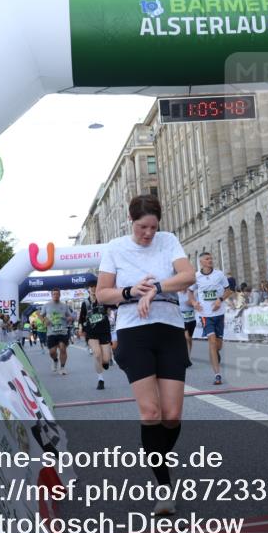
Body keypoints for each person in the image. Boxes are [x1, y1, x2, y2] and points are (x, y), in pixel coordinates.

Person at [97, 194, 196, 516]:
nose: (148, 234)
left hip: (168, 329)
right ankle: (164, 487)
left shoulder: (168, 241)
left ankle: (161, 461)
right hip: (133, 331)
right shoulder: (114, 248)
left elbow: (188, 276)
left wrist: (156, 288)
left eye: (153, 227)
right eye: (142, 227)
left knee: (172, 415)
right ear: (131, 222)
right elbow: (102, 294)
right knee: (151, 413)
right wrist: (130, 291)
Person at [191, 251, 231, 385]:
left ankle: (215, 352)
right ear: (201, 262)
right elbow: (190, 292)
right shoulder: (196, 277)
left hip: (219, 314)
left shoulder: (219, 274)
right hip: (206, 315)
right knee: (212, 342)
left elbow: (228, 290)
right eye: (207, 259)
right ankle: (217, 374)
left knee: (218, 345)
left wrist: (220, 299)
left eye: (211, 258)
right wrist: (194, 303)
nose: (210, 260)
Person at [79, 279, 114, 390]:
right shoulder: (85, 303)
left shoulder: (104, 300)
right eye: (91, 287)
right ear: (88, 289)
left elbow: (112, 309)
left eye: (95, 286)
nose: (93, 289)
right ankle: (100, 379)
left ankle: (106, 362)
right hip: (91, 333)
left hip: (104, 332)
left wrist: (109, 312)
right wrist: (81, 328)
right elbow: (81, 319)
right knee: (97, 354)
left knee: (105, 359)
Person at [40, 289, 74, 375]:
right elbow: (40, 315)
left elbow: (70, 316)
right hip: (51, 332)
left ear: (60, 295)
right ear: (51, 295)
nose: (56, 295)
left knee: (63, 348)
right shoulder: (46, 305)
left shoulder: (64, 306)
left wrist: (70, 319)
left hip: (63, 331)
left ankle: (62, 368)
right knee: (52, 352)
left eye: (57, 294)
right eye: (54, 294)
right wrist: (44, 321)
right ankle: (55, 360)